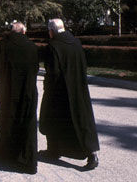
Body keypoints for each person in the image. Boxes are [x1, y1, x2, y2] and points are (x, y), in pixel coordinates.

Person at [39, 18, 100, 170]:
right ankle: (91, 154)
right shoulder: (76, 42)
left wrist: (48, 88)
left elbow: (52, 72)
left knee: (52, 118)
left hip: (59, 91)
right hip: (78, 89)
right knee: (81, 121)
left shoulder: (53, 46)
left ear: (51, 31)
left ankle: (53, 150)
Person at [0, 22, 39, 174]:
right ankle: (25, 158)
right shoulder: (32, 47)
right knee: (26, 122)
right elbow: (35, 69)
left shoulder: (2, 45)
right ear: (23, 31)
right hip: (28, 91)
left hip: (8, 91)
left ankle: (4, 154)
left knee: (6, 120)